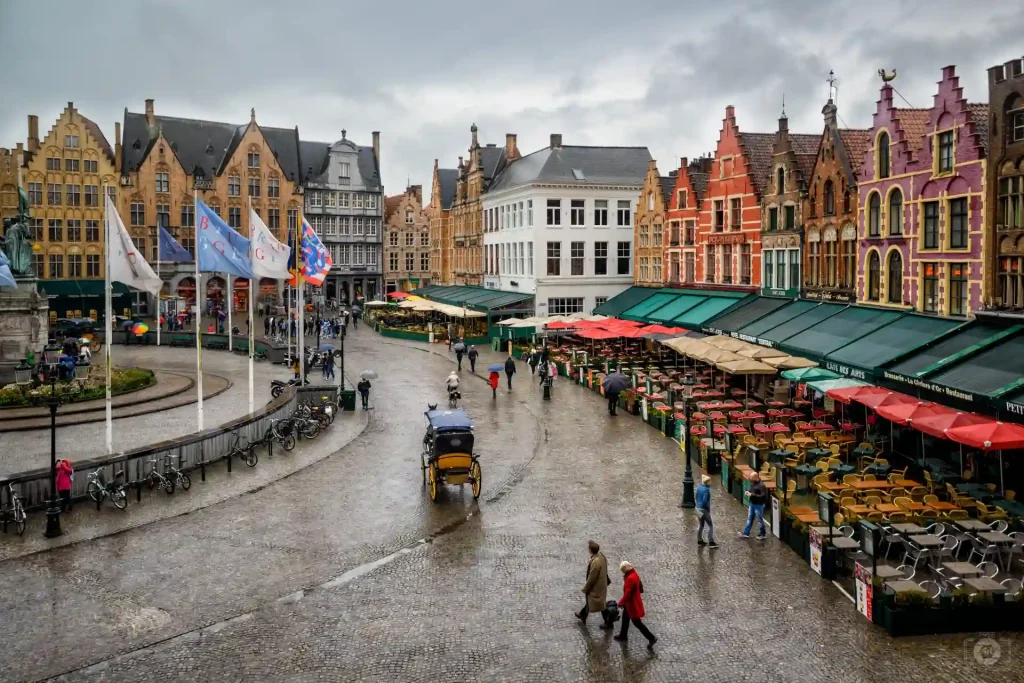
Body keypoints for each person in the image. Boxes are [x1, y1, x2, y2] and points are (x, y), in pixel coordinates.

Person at [615, 561, 656, 648]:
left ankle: (651, 638)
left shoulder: (630, 578)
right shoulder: (634, 573)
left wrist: (620, 603)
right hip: (631, 602)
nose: (622, 572)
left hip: (631, 603)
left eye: (623, 570)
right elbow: (639, 587)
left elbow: (628, 593)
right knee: (625, 617)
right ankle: (623, 635)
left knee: (637, 622)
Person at [576, 540, 613, 629]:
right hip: (601, 584)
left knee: (599, 603)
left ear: (590, 550)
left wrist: (585, 588)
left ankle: (609, 622)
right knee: (598, 602)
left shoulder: (596, 562)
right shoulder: (601, 556)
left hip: (597, 587)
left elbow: (592, 577)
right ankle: (583, 614)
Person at [739, 471, 768, 540]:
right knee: (750, 518)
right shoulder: (754, 483)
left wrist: (752, 495)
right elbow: (752, 489)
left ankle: (763, 534)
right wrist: (748, 491)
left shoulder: (761, 485)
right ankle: (746, 533)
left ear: (755, 478)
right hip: (752, 503)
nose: (750, 479)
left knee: (759, 520)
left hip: (759, 505)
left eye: (751, 478)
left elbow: (763, 496)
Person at [696, 474, 718, 548]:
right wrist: (707, 509)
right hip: (704, 509)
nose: (710, 483)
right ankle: (711, 541)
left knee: (701, 525)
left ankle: (699, 540)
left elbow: (696, 497)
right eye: (709, 481)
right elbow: (705, 501)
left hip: (697, 509)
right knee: (710, 525)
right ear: (707, 482)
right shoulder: (706, 490)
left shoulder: (699, 487)